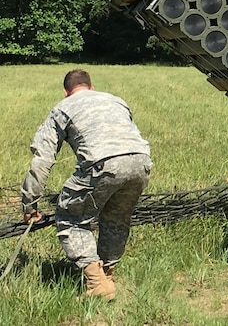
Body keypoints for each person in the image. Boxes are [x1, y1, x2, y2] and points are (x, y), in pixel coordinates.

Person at [21, 69, 152, 299]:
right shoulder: (116, 100)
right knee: (116, 218)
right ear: (91, 87)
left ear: (66, 92)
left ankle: (95, 282)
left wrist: (30, 204)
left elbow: (42, 161)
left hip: (103, 165)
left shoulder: (62, 109)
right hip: (141, 162)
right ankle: (107, 276)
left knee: (70, 218)